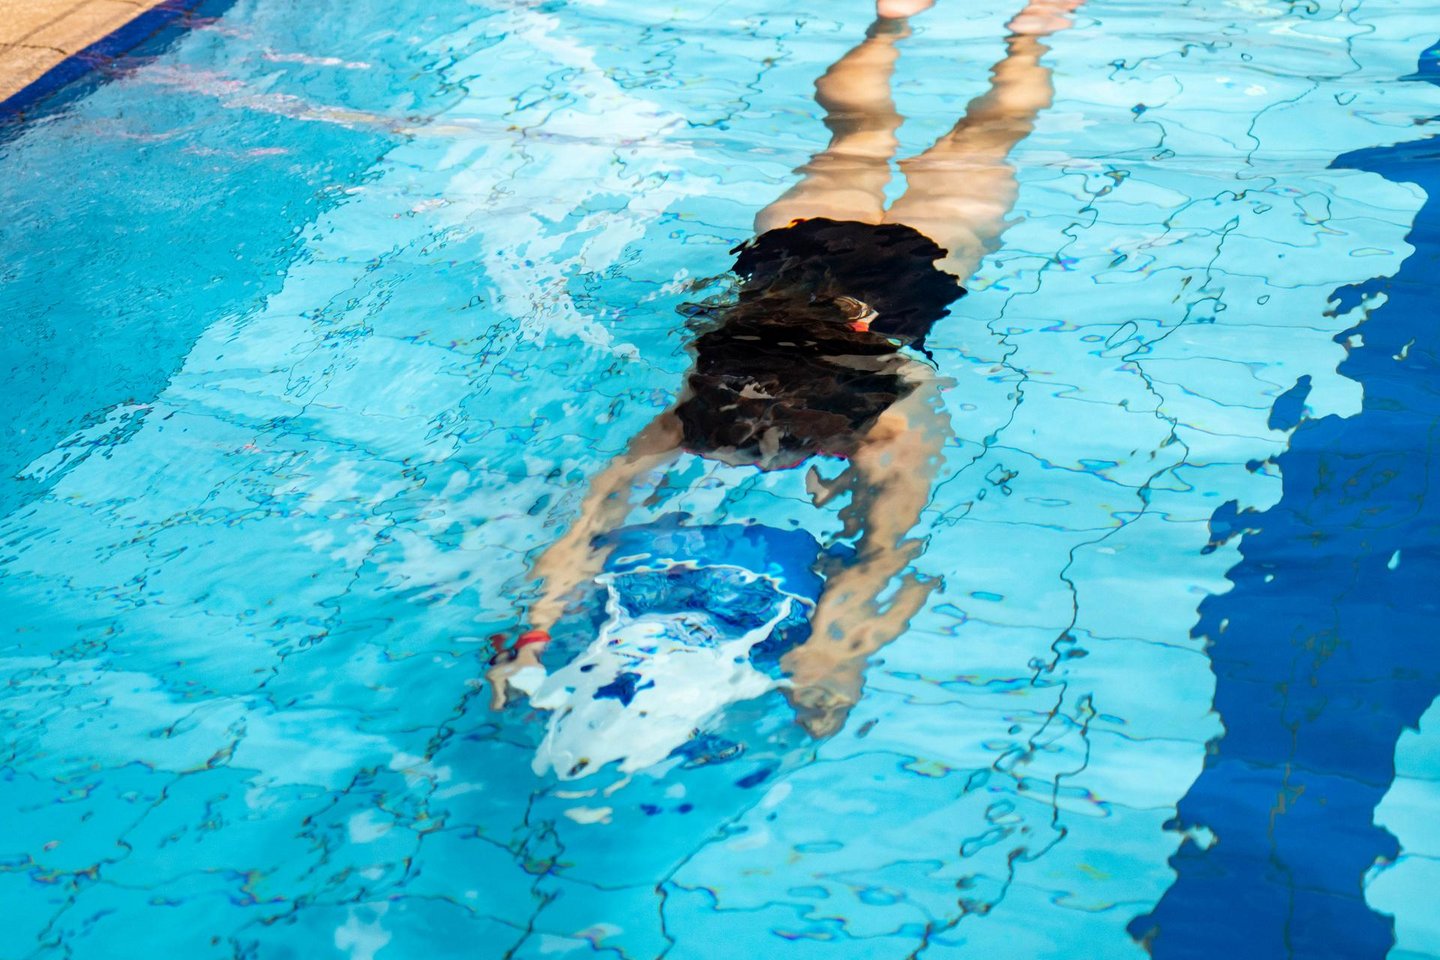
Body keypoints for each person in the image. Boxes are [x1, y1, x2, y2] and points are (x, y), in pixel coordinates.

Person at [488, 0, 1084, 737]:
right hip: (804, 251)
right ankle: (1010, 35)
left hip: (884, 257)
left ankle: (918, 29)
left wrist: (835, 650)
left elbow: (591, 520)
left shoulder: (866, 424)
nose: (770, 466)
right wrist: (538, 634)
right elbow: (877, 550)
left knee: (932, 142)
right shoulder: (718, 411)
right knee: (935, 142)